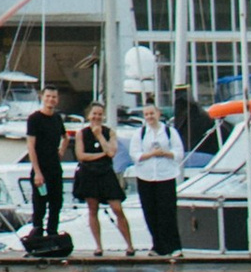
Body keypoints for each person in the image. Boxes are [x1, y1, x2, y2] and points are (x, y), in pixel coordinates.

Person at [73, 100, 133, 256]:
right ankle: (98, 246)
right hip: (89, 173)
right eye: (94, 114)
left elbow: (112, 152)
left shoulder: (109, 132)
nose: (97, 117)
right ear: (88, 115)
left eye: (100, 114)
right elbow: (81, 155)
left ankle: (129, 245)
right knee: (93, 209)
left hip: (106, 172)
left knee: (117, 209)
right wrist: (101, 154)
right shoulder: (82, 134)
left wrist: (99, 136)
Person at [130, 102, 186, 258]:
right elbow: (135, 154)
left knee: (167, 211)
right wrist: (151, 154)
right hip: (146, 177)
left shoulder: (169, 132)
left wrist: (164, 153)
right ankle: (158, 246)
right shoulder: (140, 133)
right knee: (150, 212)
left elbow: (179, 152)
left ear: (158, 114)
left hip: (165, 176)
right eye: (146, 114)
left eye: (152, 113)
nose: (149, 117)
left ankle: (174, 246)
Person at [21, 89, 71, 257]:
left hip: (55, 168)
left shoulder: (57, 118)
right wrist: (37, 172)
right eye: (48, 96)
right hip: (40, 168)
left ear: (57, 100)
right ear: (42, 98)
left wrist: (61, 152)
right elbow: (31, 146)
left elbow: (66, 137)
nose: (51, 99)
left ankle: (52, 236)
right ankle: (37, 238)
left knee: (56, 203)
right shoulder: (34, 119)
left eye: (54, 97)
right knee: (40, 205)